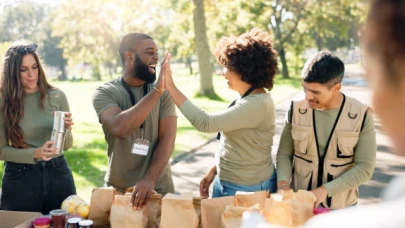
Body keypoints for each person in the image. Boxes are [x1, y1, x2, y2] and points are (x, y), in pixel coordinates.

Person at [304, 0, 405, 226]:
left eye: (373, 79)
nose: (375, 105)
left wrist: (324, 192)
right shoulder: (398, 193)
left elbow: (364, 168)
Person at [163, 28, 279, 198]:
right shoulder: (245, 97)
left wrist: (170, 87)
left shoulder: (258, 104)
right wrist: (214, 171)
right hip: (225, 182)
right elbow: (236, 144)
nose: (223, 73)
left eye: (227, 67)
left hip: (248, 189)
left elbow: (205, 122)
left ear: (244, 69)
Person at [276, 51, 377, 209]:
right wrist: (282, 184)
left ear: (336, 88)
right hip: (299, 206)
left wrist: (324, 191)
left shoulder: (362, 115)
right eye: (305, 89)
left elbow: (364, 168)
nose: (308, 97)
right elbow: (284, 154)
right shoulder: (295, 110)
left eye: (315, 92)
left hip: (342, 210)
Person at [92, 33, 177, 210]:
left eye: (157, 52)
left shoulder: (163, 94)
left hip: (158, 188)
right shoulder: (105, 93)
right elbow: (119, 127)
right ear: (129, 56)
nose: (156, 57)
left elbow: (168, 139)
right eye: (149, 52)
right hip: (120, 192)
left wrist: (149, 179)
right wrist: (157, 91)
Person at [0, 41, 76, 214]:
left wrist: (67, 129)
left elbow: (67, 146)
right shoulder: (3, 101)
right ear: (12, 72)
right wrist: (36, 153)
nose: (31, 75)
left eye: (34, 67)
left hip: (58, 173)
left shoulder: (57, 96)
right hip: (20, 177)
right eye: (23, 69)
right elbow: (1, 151)